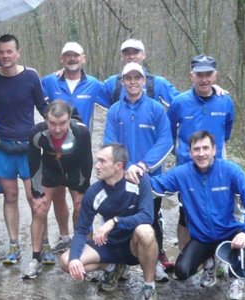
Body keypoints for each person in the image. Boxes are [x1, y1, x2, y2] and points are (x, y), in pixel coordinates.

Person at [143, 131, 245, 300]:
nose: (201, 153)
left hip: (230, 234)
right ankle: (210, 262)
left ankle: (236, 279)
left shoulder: (230, 170)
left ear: (214, 150)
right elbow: (156, 186)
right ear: (190, 152)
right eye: (196, 149)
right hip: (203, 237)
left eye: (205, 148)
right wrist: (136, 173)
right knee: (182, 271)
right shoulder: (182, 173)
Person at [59, 144, 158, 300]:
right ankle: (112, 267)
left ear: (118, 166)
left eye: (102, 161)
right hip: (109, 245)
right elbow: (81, 230)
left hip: (134, 246)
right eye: (97, 161)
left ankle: (149, 285)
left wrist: (114, 221)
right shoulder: (94, 192)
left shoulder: (139, 180)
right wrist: (74, 259)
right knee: (66, 261)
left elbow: (147, 216)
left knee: (146, 231)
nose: (97, 166)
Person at [105, 62, 173, 281]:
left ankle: (153, 265)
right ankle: (119, 263)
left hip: (149, 178)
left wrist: (142, 165)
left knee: (150, 221)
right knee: (119, 219)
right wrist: (125, 167)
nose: (133, 82)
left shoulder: (155, 108)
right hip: (122, 176)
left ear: (144, 80)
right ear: (123, 81)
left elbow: (165, 141)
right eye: (128, 78)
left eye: (137, 78)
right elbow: (110, 142)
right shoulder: (115, 110)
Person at [0, 34, 48, 264]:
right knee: (10, 197)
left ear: (17, 52)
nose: (5, 56)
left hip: (29, 147)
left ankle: (45, 243)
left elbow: (43, 106)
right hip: (3, 147)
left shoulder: (31, 76)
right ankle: (13, 245)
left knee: (35, 198)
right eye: (1, 52)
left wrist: (65, 123)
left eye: (9, 51)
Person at [41, 42, 109, 256]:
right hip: (54, 150)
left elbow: (119, 97)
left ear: (83, 58)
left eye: (76, 56)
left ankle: (82, 242)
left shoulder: (96, 85)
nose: (72, 59)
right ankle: (64, 238)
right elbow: (28, 91)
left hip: (80, 152)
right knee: (58, 197)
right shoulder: (49, 81)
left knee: (80, 202)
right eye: (67, 56)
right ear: (62, 59)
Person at [168, 55, 235, 250]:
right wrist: (180, 155)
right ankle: (184, 254)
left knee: (219, 211)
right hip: (187, 168)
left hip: (217, 166)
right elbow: (169, 133)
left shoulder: (225, 101)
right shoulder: (179, 102)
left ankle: (217, 258)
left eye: (208, 74)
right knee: (186, 213)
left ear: (215, 75)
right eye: (199, 75)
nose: (204, 79)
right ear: (192, 76)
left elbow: (226, 131)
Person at [23, 100, 92, 279]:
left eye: (62, 123)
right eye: (52, 123)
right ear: (45, 118)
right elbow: (34, 162)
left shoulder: (81, 132)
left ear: (69, 119)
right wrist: (37, 192)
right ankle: (35, 258)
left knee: (81, 206)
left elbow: (87, 161)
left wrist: (84, 189)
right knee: (39, 209)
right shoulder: (36, 133)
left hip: (75, 170)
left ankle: (82, 251)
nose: (58, 129)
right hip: (50, 170)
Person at [104, 38, 179, 107]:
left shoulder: (158, 83)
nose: (132, 56)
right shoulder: (112, 83)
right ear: (122, 57)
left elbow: (181, 103)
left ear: (143, 55)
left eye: (136, 52)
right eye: (127, 53)